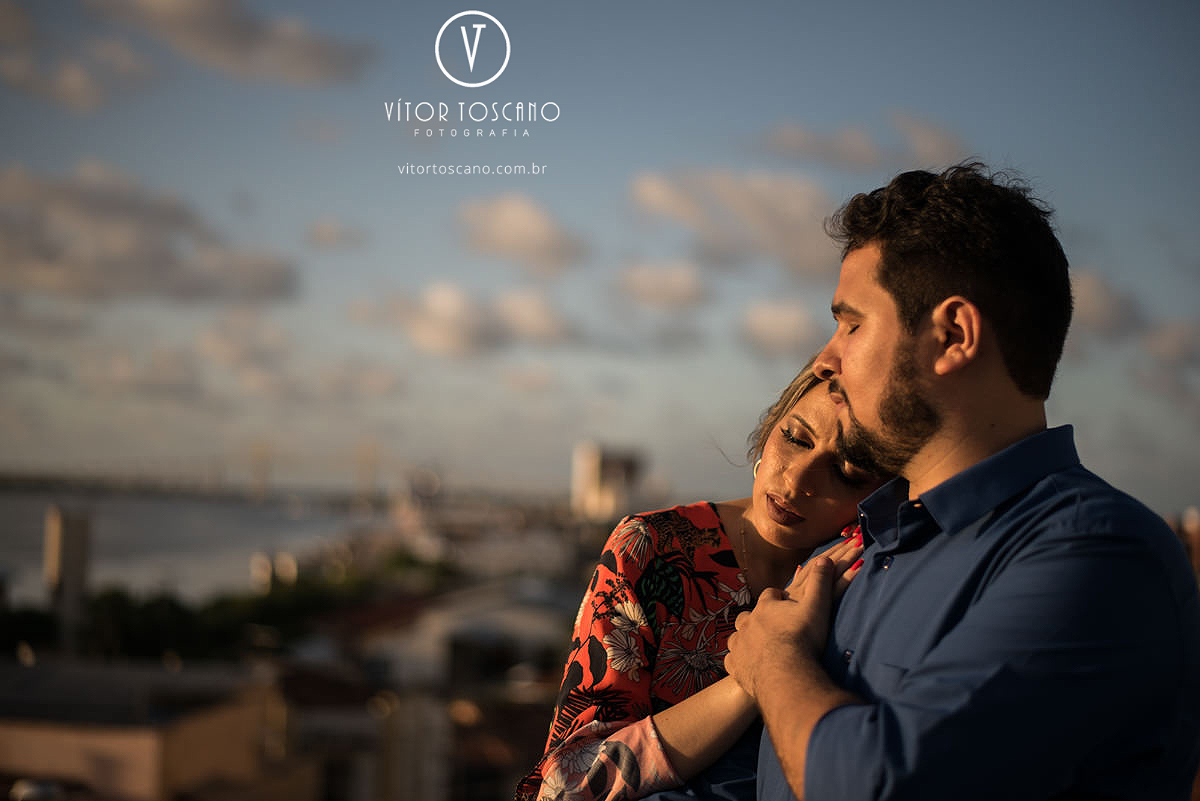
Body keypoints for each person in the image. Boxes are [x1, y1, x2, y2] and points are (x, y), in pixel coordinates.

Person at [722, 163, 1200, 800]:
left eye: (853, 324)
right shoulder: (873, 542)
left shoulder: (1099, 556)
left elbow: (879, 785)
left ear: (952, 336)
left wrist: (775, 662)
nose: (825, 358)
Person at [516, 360, 886, 801]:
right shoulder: (652, 547)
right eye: (795, 438)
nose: (797, 480)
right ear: (771, 428)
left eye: (845, 473)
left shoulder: (864, 571)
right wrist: (755, 673)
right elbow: (567, 785)